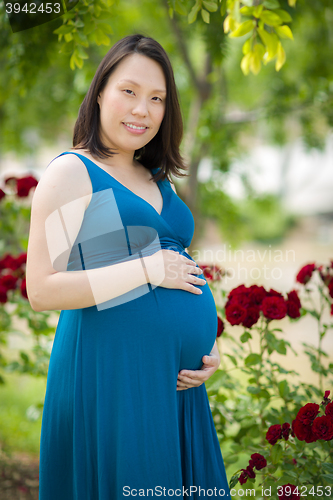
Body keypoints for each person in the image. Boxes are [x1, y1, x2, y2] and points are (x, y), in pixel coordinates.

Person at [26, 34, 231, 499]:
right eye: (130, 91)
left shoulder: (154, 175)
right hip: (111, 379)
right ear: (100, 91)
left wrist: (207, 347)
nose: (142, 110)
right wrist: (146, 270)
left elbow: (176, 260)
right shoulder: (73, 173)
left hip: (174, 388)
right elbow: (40, 290)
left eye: (157, 99)